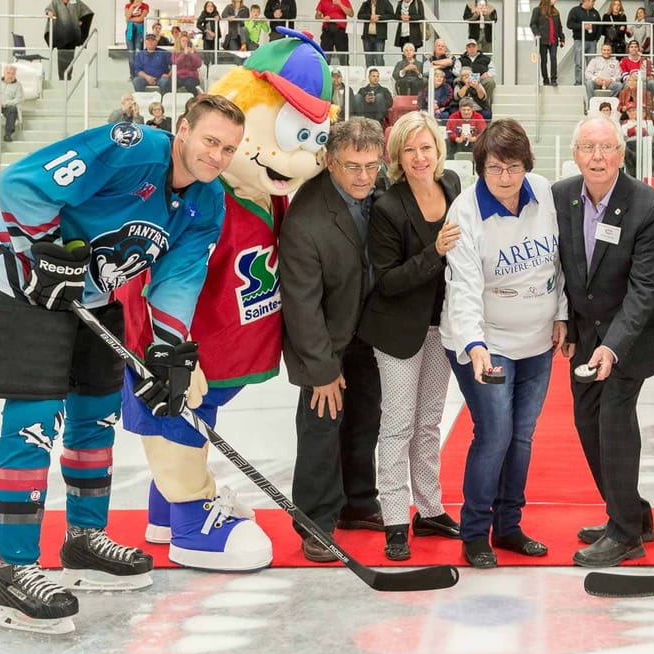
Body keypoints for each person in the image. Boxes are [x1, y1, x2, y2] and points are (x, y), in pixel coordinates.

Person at [0, 94, 245, 635]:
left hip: (92, 300)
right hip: (22, 284)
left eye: (228, 148)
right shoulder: (131, 148)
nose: (217, 156)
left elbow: (179, 279)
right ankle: (14, 569)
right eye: (209, 140)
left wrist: (166, 348)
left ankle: (83, 541)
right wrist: (46, 248)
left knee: (96, 416)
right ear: (182, 129)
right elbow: (21, 183)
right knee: (34, 421)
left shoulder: (208, 203)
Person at [130, 31, 333, 572]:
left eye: (310, 139)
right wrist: (165, 349)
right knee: (175, 422)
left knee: (198, 420)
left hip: (226, 355)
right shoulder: (195, 198)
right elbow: (142, 279)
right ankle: (193, 522)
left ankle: (165, 509)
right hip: (186, 354)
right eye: (286, 133)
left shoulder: (266, 194)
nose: (299, 156)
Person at [439, 119, 566, 569]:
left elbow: (558, 261)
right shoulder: (465, 213)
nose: (505, 178)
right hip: (486, 342)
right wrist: (474, 344)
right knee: (494, 433)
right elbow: (464, 286)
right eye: (494, 168)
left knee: (522, 436)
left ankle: (508, 526)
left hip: (536, 342)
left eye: (513, 167)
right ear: (480, 169)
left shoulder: (544, 192)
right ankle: (475, 533)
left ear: (527, 165)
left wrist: (562, 312)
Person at [554, 116, 654, 568]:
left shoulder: (648, 206)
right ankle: (633, 513)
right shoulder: (561, 196)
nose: (597, 157)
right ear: (575, 154)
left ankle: (625, 535)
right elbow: (561, 270)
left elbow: (646, 290)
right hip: (586, 334)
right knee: (586, 421)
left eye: (607, 147)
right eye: (588, 147)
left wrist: (613, 345)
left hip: (632, 337)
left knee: (613, 420)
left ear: (623, 154)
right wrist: (565, 321)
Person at [280, 117, 390, 561]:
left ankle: (358, 504)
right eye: (352, 167)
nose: (363, 176)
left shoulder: (377, 195)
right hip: (325, 340)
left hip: (367, 331)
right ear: (329, 162)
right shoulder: (306, 217)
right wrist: (322, 371)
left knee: (365, 419)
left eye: (371, 166)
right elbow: (301, 304)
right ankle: (315, 524)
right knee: (322, 428)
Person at [358, 112, 463, 561]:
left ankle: (431, 507)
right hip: (398, 328)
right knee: (397, 426)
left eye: (426, 147)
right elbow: (388, 281)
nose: (419, 157)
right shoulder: (387, 206)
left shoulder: (453, 186)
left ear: (438, 150)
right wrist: (434, 252)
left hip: (444, 324)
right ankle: (396, 518)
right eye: (409, 149)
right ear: (396, 156)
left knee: (428, 422)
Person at [45, 0, 94, 81]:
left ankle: (68, 80)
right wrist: (49, 13)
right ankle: (62, 81)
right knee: (61, 64)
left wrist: (82, 21)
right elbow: (48, 9)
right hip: (61, 37)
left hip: (72, 37)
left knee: (69, 64)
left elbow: (87, 12)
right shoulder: (56, 2)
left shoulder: (75, 2)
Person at [530, 0, 564, 87]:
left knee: (553, 58)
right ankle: (545, 80)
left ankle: (553, 79)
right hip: (542, 40)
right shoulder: (537, 10)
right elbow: (533, 24)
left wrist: (562, 38)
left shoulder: (555, 12)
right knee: (544, 60)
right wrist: (537, 34)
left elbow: (559, 27)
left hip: (553, 40)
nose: (555, 0)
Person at [568, 0, 603, 85]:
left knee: (592, 64)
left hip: (592, 42)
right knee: (579, 63)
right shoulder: (575, 10)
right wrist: (583, 26)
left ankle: (590, 82)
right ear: (586, 1)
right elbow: (569, 24)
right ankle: (578, 82)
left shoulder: (595, 12)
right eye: (592, 1)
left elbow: (599, 26)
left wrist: (596, 39)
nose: (593, 3)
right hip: (579, 41)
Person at [315, 0, 354, 65]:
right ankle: (325, 73)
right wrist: (322, 18)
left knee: (343, 56)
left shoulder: (344, 1)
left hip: (340, 31)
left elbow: (351, 14)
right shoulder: (323, 1)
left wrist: (340, 4)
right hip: (327, 31)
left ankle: (345, 72)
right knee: (325, 56)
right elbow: (317, 16)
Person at [358, 0, 395, 67]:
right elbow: (359, 15)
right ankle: (369, 76)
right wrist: (370, 17)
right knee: (368, 60)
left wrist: (379, 18)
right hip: (367, 36)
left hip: (379, 36)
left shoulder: (385, 2)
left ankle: (381, 76)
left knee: (379, 59)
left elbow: (391, 15)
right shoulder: (366, 3)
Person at [125, 0, 149, 75]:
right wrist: (132, 6)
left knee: (139, 54)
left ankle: (139, 74)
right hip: (130, 30)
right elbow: (127, 16)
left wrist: (130, 20)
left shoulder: (145, 6)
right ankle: (132, 75)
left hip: (140, 31)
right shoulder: (128, 6)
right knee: (131, 53)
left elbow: (141, 19)